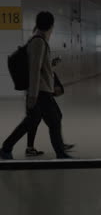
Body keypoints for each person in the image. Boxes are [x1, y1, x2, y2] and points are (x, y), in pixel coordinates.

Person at [0, 11, 72, 160]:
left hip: (41, 89)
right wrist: (33, 95)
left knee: (32, 121)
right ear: (51, 25)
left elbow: (40, 66)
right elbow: (34, 70)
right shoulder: (38, 41)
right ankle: (61, 154)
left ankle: (6, 148)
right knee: (54, 119)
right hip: (40, 91)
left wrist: (50, 65)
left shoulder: (38, 40)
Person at [25, 55, 75, 157]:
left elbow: (42, 69)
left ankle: (59, 146)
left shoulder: (40, 48)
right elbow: (38, 71)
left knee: (56, 117)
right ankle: (14, 147)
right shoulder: (37, 44)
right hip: (39, 95)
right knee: (36, 121)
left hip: (43, 94)